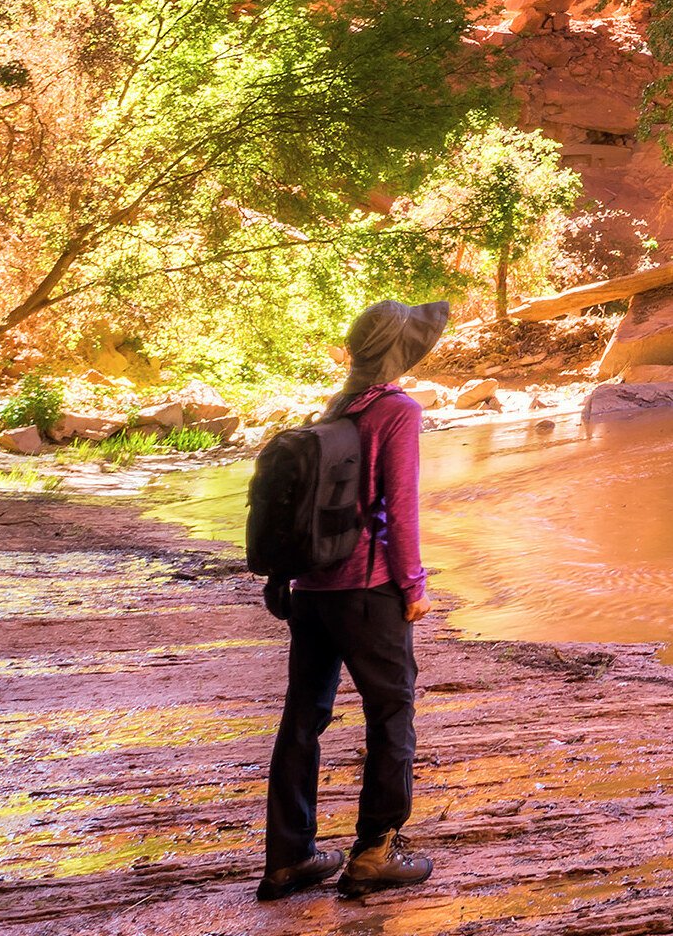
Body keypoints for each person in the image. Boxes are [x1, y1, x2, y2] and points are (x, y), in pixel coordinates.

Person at [261, 298, 448, 903]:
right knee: (392, 715)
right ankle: (374, 853)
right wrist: (413, 584)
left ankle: (290, 857)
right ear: (402, 353)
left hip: (312, 590)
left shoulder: (338, 405)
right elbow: (401, 504)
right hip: (368, 593)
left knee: (303, 718)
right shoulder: (397, 410)